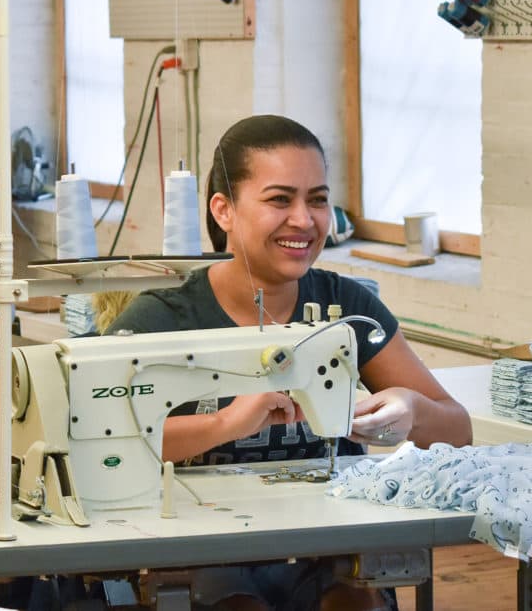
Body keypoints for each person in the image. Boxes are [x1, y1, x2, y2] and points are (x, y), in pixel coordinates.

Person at [105, 114, 472, 611]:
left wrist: (411, 409)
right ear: (224, 210)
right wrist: (225, 423)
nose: (304, 220)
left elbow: (458, 430)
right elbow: (98, 448)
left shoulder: (349, 307)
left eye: (317, 200)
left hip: (327, 548)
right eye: (280, 199)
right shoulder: (166, 316)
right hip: (202, 549)